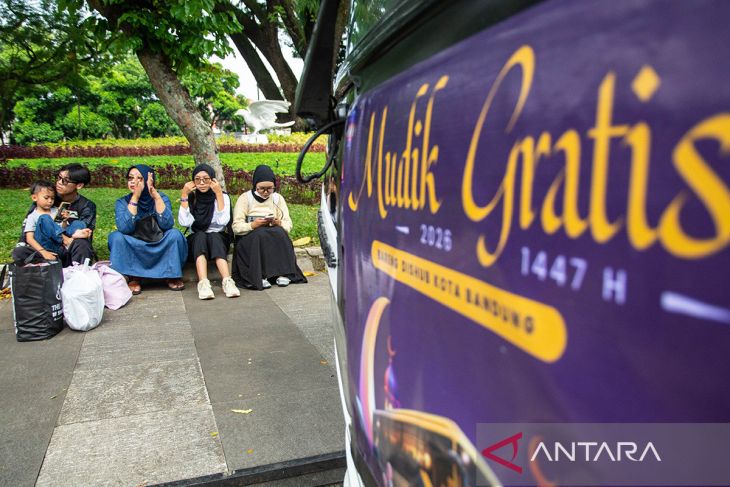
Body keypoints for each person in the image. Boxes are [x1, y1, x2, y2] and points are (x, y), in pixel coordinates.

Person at [108, 164, 187, 294]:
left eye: (139, 178)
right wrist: (135, 197)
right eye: (130, 178)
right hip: (134, 243)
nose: (133, 182)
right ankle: (133, 277)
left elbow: (167, 224)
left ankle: (171, 275)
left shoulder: (161, 198)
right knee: (116, 237)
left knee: (175, 234)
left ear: (149, 180)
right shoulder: (122, 202)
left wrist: (156, 197)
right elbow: (125, 228)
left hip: (158, 242)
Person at [231, 164, 307, 290]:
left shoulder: (277, 198)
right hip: (250, 235)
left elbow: (288, 223)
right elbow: (236, 227)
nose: (266, 192)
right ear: (255, 185)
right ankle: (260, 275)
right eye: (262, 189)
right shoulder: (245, 198)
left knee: (280, 233)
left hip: (271, 230)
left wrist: (279, 223)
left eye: (270, 189)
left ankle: (282, 273)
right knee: (260, 235)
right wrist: (253, 225)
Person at [178, 164, 240, 299]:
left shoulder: (222, 196)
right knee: (200, 236)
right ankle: (203, 283)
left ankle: (227, 281)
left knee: (214, 236)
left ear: (212, 180)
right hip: (197, 238)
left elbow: (222, 221)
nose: (201, 183)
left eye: (206, 179)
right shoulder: (191, 197)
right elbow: (184, 222)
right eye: (197, 179)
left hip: (218, 237)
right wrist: (184, 194)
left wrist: (218, 194)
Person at [13, 180, 90, 263]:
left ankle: (75, 235)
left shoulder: (56, 210)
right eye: (46, 198)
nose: (50, 201)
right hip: (46, 245)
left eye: (52, 198)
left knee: (78, 223)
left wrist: (64, 220)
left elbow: (63, 229)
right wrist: (43, 252)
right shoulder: (32, 216)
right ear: (34, 198)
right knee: (44, 218)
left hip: (61, 246)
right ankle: (68, 240)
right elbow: (29, 238)